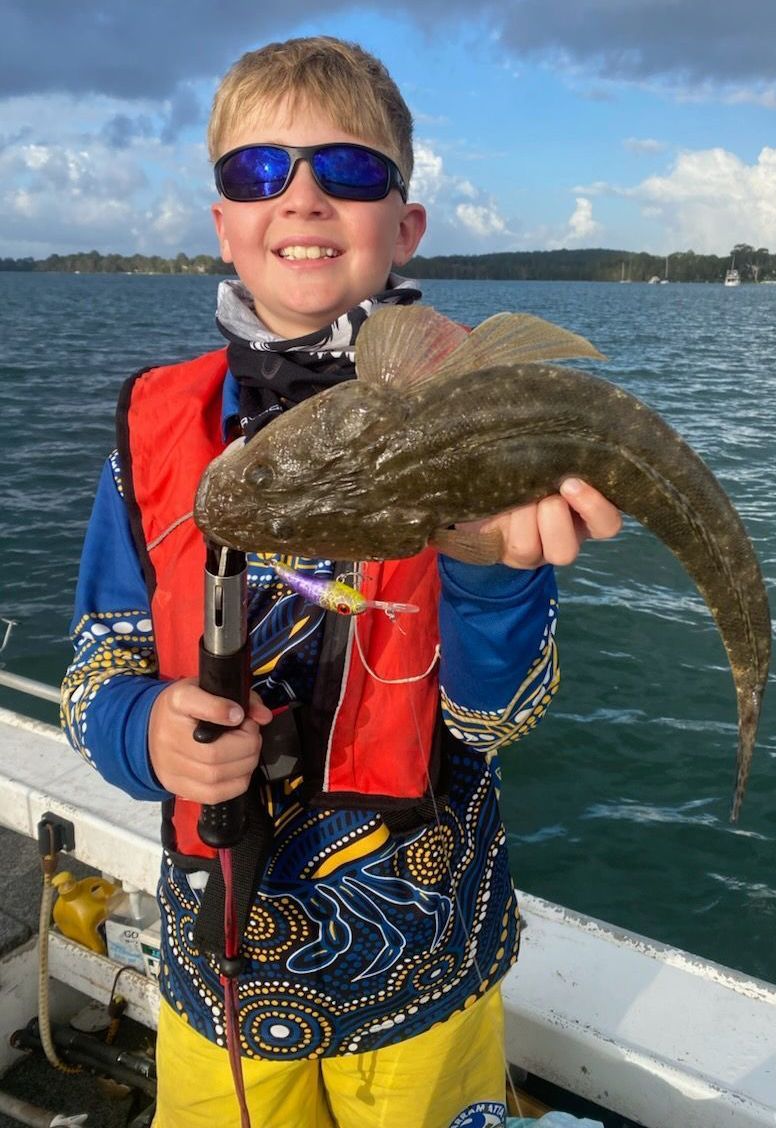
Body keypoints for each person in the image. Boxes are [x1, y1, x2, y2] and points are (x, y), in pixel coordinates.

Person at [61, 35, 621, 1128]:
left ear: (405, 223)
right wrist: (146, 729)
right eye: (257, 171)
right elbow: (97, 668)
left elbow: (494, 715)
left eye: (351, 171)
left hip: (422, 958)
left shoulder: (475, 418)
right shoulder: (153, 432)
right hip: (219, 955)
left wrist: (494, 579)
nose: (303, 196)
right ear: (222, 220)